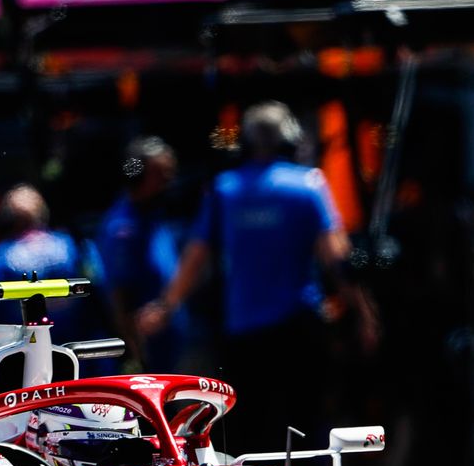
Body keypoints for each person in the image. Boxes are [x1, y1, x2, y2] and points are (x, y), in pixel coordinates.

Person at [137, 101, 378, 447]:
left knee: (250, 433)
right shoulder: (308, 185)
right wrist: (364, 313)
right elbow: (337, 258)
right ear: (289, 140)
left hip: (244, 335)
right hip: (298, 328)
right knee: (304, 425)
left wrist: (164, 307)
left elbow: (195, 258)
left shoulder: (225, 190)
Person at [0, 185, 104, 332]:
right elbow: (105, 293)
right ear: (43, 214)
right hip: (83, 344)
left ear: (7, 220)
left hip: (22, 346)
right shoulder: (78, 248)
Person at [98, 137, 187, 370]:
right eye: (160, 174)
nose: (169, 180)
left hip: (175, 337)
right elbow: (118, 294)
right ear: (135, 175)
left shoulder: (153, 214)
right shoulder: (123, 228)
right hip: (151, 347)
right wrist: (135, 352)